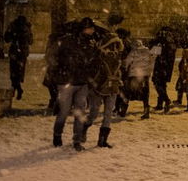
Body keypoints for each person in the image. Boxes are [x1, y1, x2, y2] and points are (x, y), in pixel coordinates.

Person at [52, 18, 101, 150]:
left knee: (80, 112)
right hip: (67, 81)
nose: (92, 31)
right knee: (64, 111)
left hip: (82, 82)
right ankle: (57, 135)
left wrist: (89, 73)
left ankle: (77, 140)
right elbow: (60, 59)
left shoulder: (91, 43)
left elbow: (95, 62)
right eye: (90, 28)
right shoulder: (69, 41)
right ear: (84, 28)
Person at [78, 20, 124, 150]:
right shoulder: (97, 57)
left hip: (112, 87)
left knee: (108, 113)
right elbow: (91, 72)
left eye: (116, 46)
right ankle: (84, 129)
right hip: (97, 88)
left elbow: (120, 71)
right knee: (94, 113)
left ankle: (102, 140)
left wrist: (118, 77)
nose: (114, 49)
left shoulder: (117, 58)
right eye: (111, 46)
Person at [3, 13, 34, 100]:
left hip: (15, 52)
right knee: (18, 73)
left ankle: (16, 89)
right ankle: (17, 89)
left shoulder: (13, 27)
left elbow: (7, 38)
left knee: (14, 72)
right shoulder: (27, 28)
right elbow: (31, 41)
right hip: (22, 53)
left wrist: (12, 35)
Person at [121, 38, 154, 119]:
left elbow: (127, 62)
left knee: (128, 92)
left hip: (134, 75)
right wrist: (149, 72)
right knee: (145, 93)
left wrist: (124, 66)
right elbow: (151, 62)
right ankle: (146, 112)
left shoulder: (134, 51)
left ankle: (123, 111)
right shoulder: (148, 51)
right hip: (144, 75)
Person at [150, 29, 177, 113]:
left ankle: (166, 100)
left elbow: (153, 53)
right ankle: (160, 104)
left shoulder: (162, 44)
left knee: (158, 84)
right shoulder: (171, 44)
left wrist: (154, 44)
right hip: (167, 68)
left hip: (161, 67)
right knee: (162, 85)